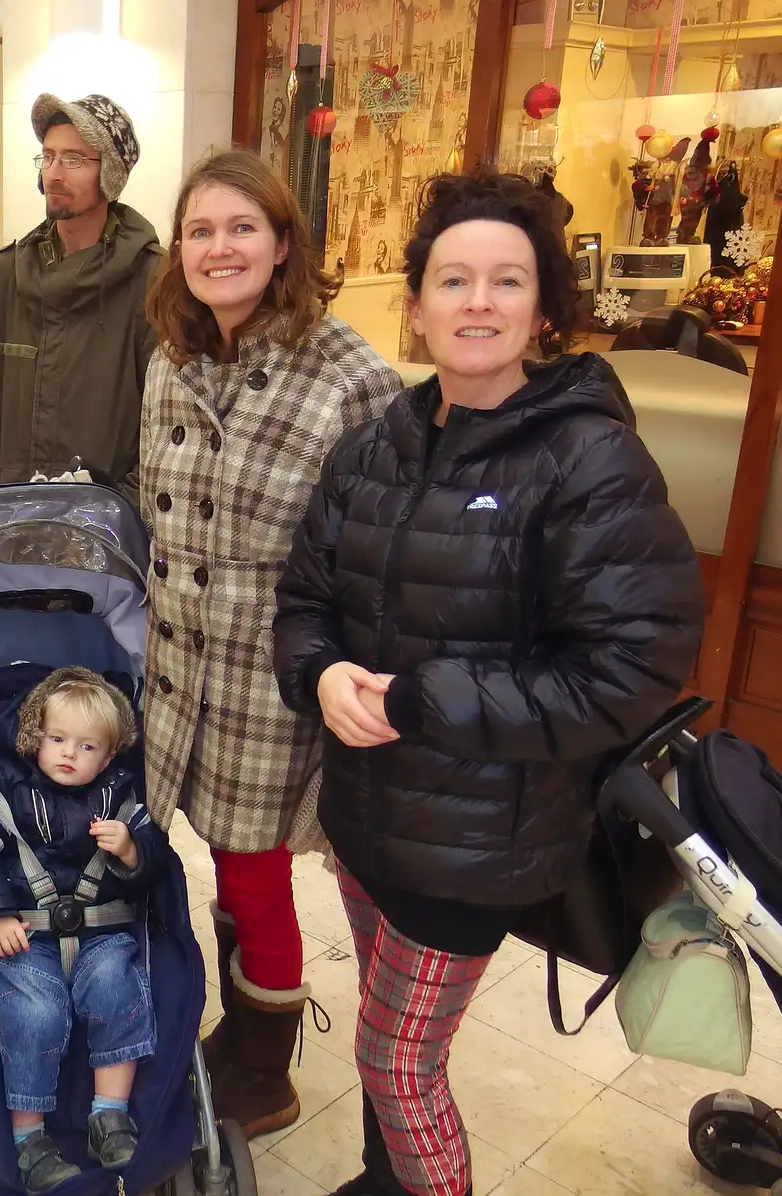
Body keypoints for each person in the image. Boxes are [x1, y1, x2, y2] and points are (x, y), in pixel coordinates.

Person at [272, 169, 705, 1196]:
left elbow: (629, 668)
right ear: (414, 303)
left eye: (504, 281)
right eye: (452, 279)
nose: (476, 302)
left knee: (392, 1058)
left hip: (481, 836)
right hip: (365, 816)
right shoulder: (376, 443)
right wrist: (321, 669)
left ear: (542, 307)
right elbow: (304, 595)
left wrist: (423, 701)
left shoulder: (586, 458)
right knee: (389, 1031)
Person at [139, 148, 400, 1137]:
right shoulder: (172, 356)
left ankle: (263, 1068)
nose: (219, 248)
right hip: (173, 668)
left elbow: (384, 548)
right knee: (209, 849)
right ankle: (236, 1023)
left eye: (241, 227)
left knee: (253, 866)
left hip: (270, 672)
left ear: (282, 242)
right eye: (199, 230)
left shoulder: (348, 373)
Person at [0, 667, 165, 1195]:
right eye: (57, 739)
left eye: (87, 746)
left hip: (103, 931)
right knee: (33, 1011)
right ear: (33, 739)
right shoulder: (4, 789)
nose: (70, 753)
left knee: (117, 985)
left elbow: (156, 865)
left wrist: (133, 852)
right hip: (24, 931)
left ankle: (109, 1115)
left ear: (107, 758)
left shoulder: (121, 797)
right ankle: (30, 1142)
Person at [0, 94, 162, 501]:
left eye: (75, 159)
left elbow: (166, 422)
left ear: (111, 174)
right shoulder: (2, 276)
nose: (55, 173)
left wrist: (123, 513)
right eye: (47, 157)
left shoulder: (153, 281)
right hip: (9, 518)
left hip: (107, 528)